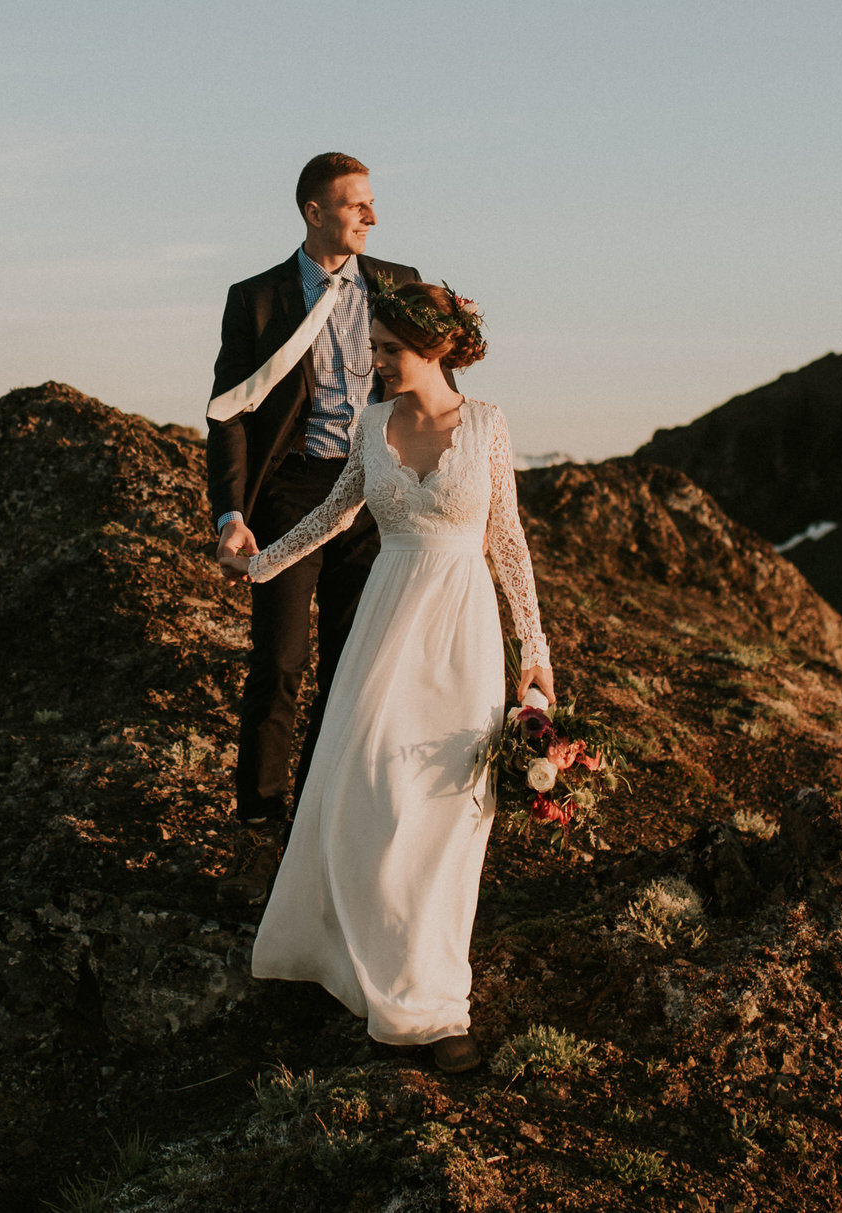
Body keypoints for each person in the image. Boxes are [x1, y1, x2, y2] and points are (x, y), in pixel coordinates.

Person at [219, 280, 555, 1075]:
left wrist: (534, 650)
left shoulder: (487, 426)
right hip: (385, 627)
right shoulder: (371, 425)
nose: (376, 361)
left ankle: (436, 1007)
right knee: (366, 789)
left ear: (437, 346)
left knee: (447, 810)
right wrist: (260, 565)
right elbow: (335, 512)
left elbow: (507, 543)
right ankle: (348, 954)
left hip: (462, 635)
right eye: (374, 347)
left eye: (390, 349)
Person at [205, 153, 421, 903]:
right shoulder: (257, 299)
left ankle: (320, 821)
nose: (370, 216)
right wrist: (231, 512)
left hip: (377, 491)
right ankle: (259, 825)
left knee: (351, 665)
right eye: (356, 205)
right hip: (294, 490)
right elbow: (228, 411)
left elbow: (432, 381)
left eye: (371, 203)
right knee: (281, 658)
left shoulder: (398, 281)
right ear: (313, 212)